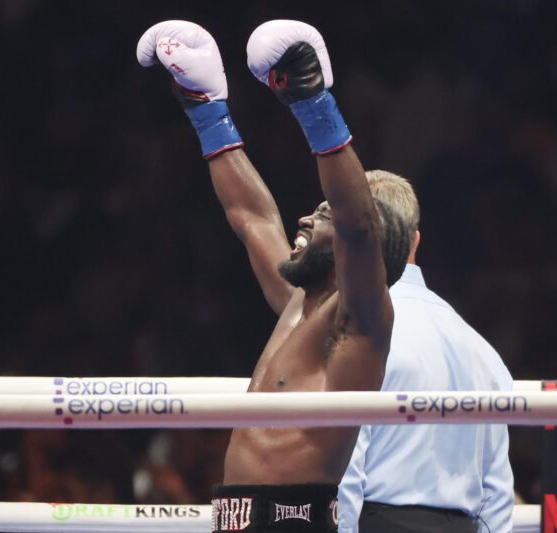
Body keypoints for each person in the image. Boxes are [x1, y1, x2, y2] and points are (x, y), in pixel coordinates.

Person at [137, 19, 412, 533]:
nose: (305, 220)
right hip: (239, 517)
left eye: (323, 215)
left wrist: (314, 104)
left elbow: (357, 228)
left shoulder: (359, 328)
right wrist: (205, 109)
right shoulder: (295, 301)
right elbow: (251, 216)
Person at [337, 171, 515, 533]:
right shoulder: (480, 348)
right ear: (415, 239)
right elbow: (497, 491)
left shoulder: (363, 333)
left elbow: (346, 470)